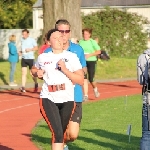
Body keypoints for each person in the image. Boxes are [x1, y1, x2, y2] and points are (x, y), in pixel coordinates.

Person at [31, 29, 84, 150]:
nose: (60, 39)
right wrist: (36, 72)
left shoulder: (71, 57)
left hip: (67, 98)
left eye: (61, 37)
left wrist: (65, 69)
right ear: (48, 42)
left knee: (62, 132)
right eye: (55, 38)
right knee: (58, 133)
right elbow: (33, 70)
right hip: (48, 97)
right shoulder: (43, 57)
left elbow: (80, 80)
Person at [44, 19, 86, 150]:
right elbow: (39, 69)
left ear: (70, 32)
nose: (63, 34)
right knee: (59, 131)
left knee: (72, 134)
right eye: (60, 31)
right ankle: (59, 145)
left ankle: (63, 143)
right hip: (55, 96)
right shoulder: (47, 52)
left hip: (74, 95)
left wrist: (71, 72)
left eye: (66, 31)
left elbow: (83, 70)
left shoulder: (77, 49)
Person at [79, 28, 101, 101]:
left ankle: (95, 89)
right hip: (83, 62)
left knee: (91, 78)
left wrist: (90, 55)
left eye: (87, 34)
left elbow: (98, 51)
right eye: (84, 34)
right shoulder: (81, 42)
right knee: (84, 78)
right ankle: (85, 95)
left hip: (91, 61)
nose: (85, 36)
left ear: (89, 35)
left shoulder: (92, 42)